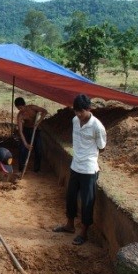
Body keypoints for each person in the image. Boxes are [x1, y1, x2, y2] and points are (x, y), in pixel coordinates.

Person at [52, 94, 106, 245]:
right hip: (75, 166)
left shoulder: (97, 126)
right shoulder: (75, 120)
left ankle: (84, 233)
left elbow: (102, 147)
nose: (78, 114)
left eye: (81, 111)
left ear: (89, 109)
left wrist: (89, 156)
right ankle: (69, 225)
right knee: (70, 197)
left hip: (89, 169)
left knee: (87, 202)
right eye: (76, 111)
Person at [14, 97, 48, 173]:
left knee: (38, 150)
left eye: (21, 108)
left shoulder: (33, 108)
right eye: (18, 109)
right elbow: (20, 132)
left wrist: (38, 122)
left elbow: (45, 112)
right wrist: (26, 144)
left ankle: (37, 170)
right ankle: (21, 169)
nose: (20, 110)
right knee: (23, 150)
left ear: (24, 105)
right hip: (26, 131)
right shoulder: (20, 116)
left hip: (36, 130)